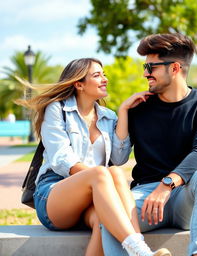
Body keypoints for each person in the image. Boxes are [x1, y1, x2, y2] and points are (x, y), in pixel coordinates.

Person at [16, 58, 171, 256]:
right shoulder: (57, 109)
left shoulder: (109, 116)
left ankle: (139, 248)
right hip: (54, 194)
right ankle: (140, 251)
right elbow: (62, 159)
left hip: (95, 196)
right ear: (78, 84)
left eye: (103, 74)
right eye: (97, 75)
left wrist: (123, 111)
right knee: (102, 173)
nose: (104, 79)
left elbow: (119, 157)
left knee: (105, 210)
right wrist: (101, 178)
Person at [101, 33, 197, 256]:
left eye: (151, 66)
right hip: (144, 199)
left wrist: (166, 185)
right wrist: (123, 112)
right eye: (145, 66)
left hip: (184, 195)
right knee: (111, 216)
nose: (145, 73)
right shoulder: (138, 108)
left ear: (175, 68)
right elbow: (117, 160)